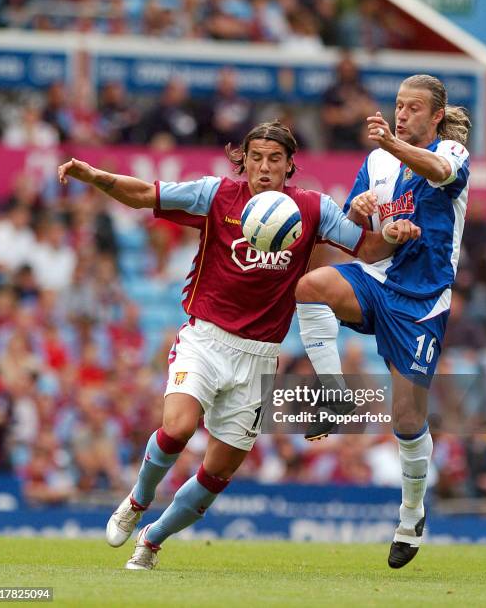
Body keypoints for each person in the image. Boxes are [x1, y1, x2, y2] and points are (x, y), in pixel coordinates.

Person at [58, 120, 420, 570]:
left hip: (260, 357)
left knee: (217, 474)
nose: (263, 168)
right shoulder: (215, 195)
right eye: (255, 158)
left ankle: (151, 541)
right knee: (177, 428)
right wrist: (96, 177)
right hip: (205, 339)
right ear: (243, 160)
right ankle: (136, 500)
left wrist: (391, 234)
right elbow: (145, 194)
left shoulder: (313, 208)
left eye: (274, 159)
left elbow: (365, 249)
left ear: (290, 165)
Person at [295, 75, 471, 568]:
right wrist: (363, 209)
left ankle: (411, 515)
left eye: (414, 108)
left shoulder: (453, 153)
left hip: (421, 302)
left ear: (436, 116)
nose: (403, 114)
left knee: (407, 419)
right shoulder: (375, 161)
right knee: (310, 286)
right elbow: (358, 226)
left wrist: (393, 143)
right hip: (377, 279)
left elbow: (437, 170)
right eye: (398, 106)